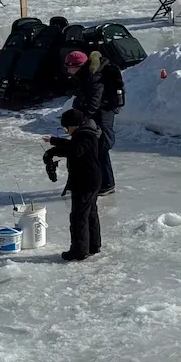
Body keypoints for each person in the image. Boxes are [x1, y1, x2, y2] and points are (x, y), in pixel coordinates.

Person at [44, 108, 103, 261]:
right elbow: (73, 149)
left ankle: (79, 250)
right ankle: (93, 245)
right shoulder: (84, 133)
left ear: (74, 125)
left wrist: (54, 142)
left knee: (79, 216)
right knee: (89, 213)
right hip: (89, 180)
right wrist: (54, 149)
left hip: (85, 181)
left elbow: (74, 150)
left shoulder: (85, 135)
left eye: (66, 127)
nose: (66, 130)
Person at [65, 49, 121, 196]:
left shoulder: (93, 76)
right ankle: (97, 182)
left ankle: (108, 184)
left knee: (102, 147)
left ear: (78, 66)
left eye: (69, 66)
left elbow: (94, 101)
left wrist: (82, 120)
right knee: (94, 149)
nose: (67, 69)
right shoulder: (83, 76)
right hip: (95, 114)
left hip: (103, 114)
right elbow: (81, 97)